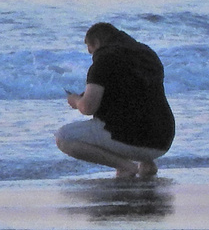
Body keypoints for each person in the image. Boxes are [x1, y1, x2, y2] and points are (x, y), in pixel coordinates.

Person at [56, 21, 174, 179]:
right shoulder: (147, 54)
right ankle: (148, 164)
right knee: (141, 107)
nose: (93, 57)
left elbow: (88, 107)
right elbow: (136, 94)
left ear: (96, 43)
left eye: (91, 52)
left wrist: (76, 100)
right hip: (163, 139)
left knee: (63, 137)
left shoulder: (105, 59)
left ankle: (125, 166)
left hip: (131, 139)